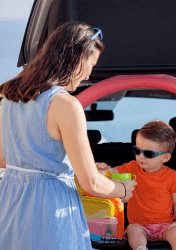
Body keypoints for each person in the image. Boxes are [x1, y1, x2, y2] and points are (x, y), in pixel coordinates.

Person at [0, 22, 137, 250]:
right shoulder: (65, 105)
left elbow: (4, 160)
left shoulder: (8, 98)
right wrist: (122, 190)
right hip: (51, 211)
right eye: (91, 64)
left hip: (10, 208)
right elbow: (91, 183)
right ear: (78, 59)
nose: (89, 73)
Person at [96, 120, 176, 250]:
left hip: (166, 225)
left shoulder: (171, 175)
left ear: (165, 158)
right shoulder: (131, 168)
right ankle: (140, 248)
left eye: (148, 153)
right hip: (140, 225)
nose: (140, 156)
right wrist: (103, 169)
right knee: (132, 229)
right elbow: (112, 173)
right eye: (137, 150)